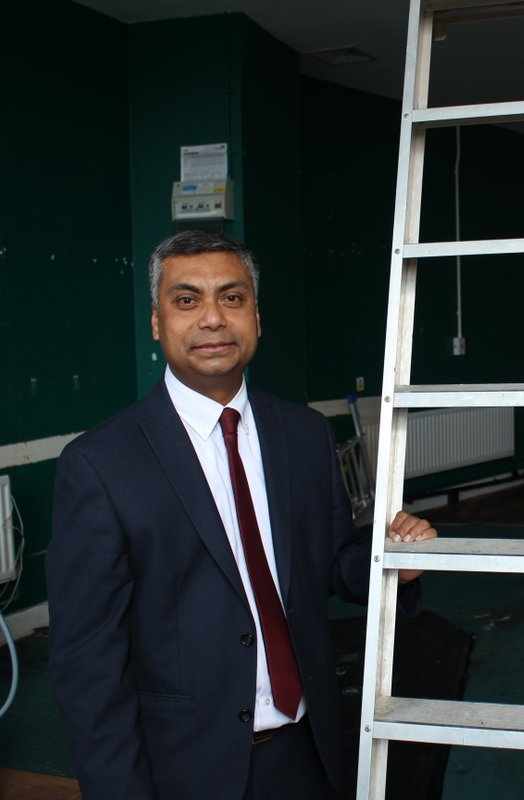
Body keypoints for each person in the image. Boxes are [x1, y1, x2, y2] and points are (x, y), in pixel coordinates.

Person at [47, 230, 435, 800]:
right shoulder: (100, 465)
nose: (212, 319)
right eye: (186, 300)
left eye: (232, 298)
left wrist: (391, 565)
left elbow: (331, 563)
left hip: (311, 750)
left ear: (256, 316)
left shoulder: (303, 434)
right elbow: (88, 668)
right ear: (157, 323)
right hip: (188, 769)